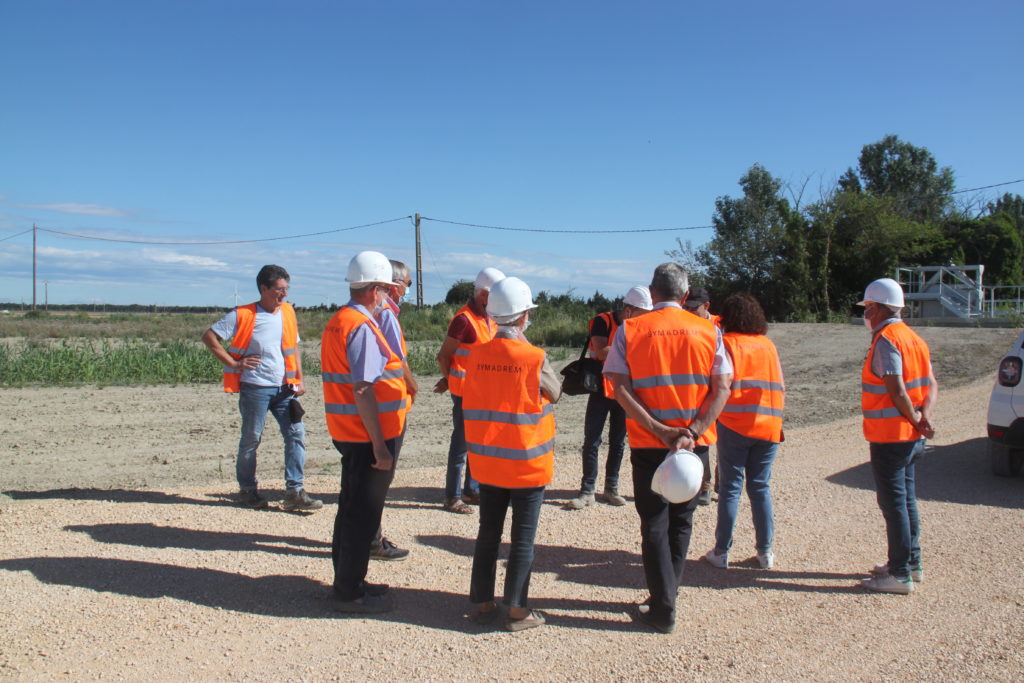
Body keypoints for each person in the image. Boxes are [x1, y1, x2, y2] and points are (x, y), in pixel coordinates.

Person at [605, 263, 732, 634]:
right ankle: (667, 597)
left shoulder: (630, 329)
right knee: (682, 521)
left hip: (649, 443)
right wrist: (693, 431)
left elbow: (619, 386)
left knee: (654, 524)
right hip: (696, 445)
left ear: (652, 291)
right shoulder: (710, 330)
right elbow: (722, 387)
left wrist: (660, 430)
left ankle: (663, 606)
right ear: (686, 295)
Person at [464, 276, 561, 631]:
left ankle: (483, 601)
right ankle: (518, 609)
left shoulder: (476, 355)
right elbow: (554, 391)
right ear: (523, 317)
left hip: (488, 462)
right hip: (526, 463)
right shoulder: (534, 357)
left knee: (488, 533)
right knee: (522, 536)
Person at [322, 250, 411, 613]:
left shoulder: (340, 320)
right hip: (365, 436)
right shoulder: (360, 325)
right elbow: (362, 388)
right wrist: (380, 446)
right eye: (388, 290)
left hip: (348, 431)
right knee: (362, 514)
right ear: (375, 289)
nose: (390, 297)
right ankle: (349, 593)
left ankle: (350, 580)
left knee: (350, 508)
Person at [201, 264, 323, 512]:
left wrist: (299, 379)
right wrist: (235, 363)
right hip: (255, 388)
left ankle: (294, 491)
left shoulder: (287, 312)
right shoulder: (243, 314)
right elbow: (209, 337)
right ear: (263, 288)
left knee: (296, 435)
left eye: (286, 289)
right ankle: (247, 491)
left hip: (284, 389)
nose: (284, 294)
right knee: (251, 439)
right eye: (279, 289)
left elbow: (293, 348)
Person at [856, 278, 937, 595]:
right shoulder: (914, 339)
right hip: (913, 437)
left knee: (894, 505)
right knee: (907, 500)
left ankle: (899, 574)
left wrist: (914, 417)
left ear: (875, 308)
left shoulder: (887, 340)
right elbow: (931, 383)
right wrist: (924, 418)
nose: (866, 314)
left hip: (892, 436)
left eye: (867, 308)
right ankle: (911, 564)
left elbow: (896, 388)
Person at [702, 293, 784, 571]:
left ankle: (721, 552)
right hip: (769, 425)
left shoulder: (728, 344)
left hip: (736, 424)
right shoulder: (768, 346)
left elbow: (722, 384)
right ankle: (765, 553)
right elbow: (780, 386)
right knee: (760, 488)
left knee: (731, 489)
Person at [565, 285, 653, 510]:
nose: (645, 320)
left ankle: (611, 488)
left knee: (618, 441)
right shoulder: (602, 321)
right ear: (628, 310)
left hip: (624, 389)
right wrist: (635, 348)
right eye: (643, 314)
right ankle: (587, 490)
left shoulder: (639, 325)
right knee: (592, 440)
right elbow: (602, 350)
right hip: (599, 388)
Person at [433, 267, 506, 513]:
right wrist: (450, 380)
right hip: (465, 393)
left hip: (484, 392)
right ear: (484, 294)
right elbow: (444, 356)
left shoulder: (490, 317)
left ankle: (472, 490)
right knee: (461, 446)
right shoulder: (464, 319)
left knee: (478, 443)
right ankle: (452, 497)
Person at [364, 259, 418, 561]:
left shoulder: (382, 314)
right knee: (381, 477)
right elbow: (398, 361)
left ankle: (371, 536)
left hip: (385, 404)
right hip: (388, 407)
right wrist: (413, 386)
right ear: (394, 284)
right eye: (407, 284)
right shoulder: (385, 316)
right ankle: (373, 540)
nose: (407, 290)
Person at [684, 285, 721, 506]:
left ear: (706, 306)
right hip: (698, 391)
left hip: (720, 391)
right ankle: (704, 486)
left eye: (693, 308)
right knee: (701, 440)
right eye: (685, 307)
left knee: (725, 443)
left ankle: (722, 485)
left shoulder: (719, 324)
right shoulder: (687, 323)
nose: (688, 311)